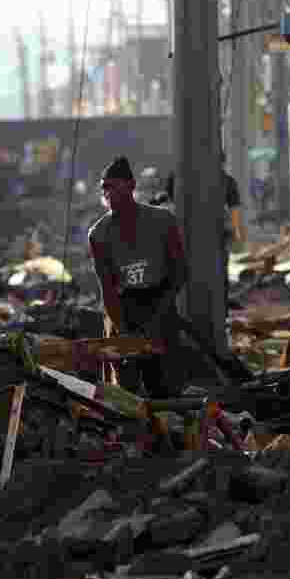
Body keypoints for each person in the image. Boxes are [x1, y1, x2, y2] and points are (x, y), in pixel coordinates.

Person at [88, 157, 188, 399]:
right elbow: (108, 289)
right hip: (123, 308)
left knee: (165, 388)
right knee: (127, 392)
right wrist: (123, 333)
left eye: (114, 186)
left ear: (131, 186)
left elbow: (180, 272)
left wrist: (157, 318)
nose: (108, 193)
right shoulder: (98, 234)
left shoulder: (163, 221)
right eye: (105, 188)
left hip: (159, 303)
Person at [221, 152, 245, 309]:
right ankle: (223, 300)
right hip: (220, 231)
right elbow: (234, 209)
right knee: (221, 265)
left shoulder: (196, 179)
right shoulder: (227, 181)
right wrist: (237, 231)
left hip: (211, 231)